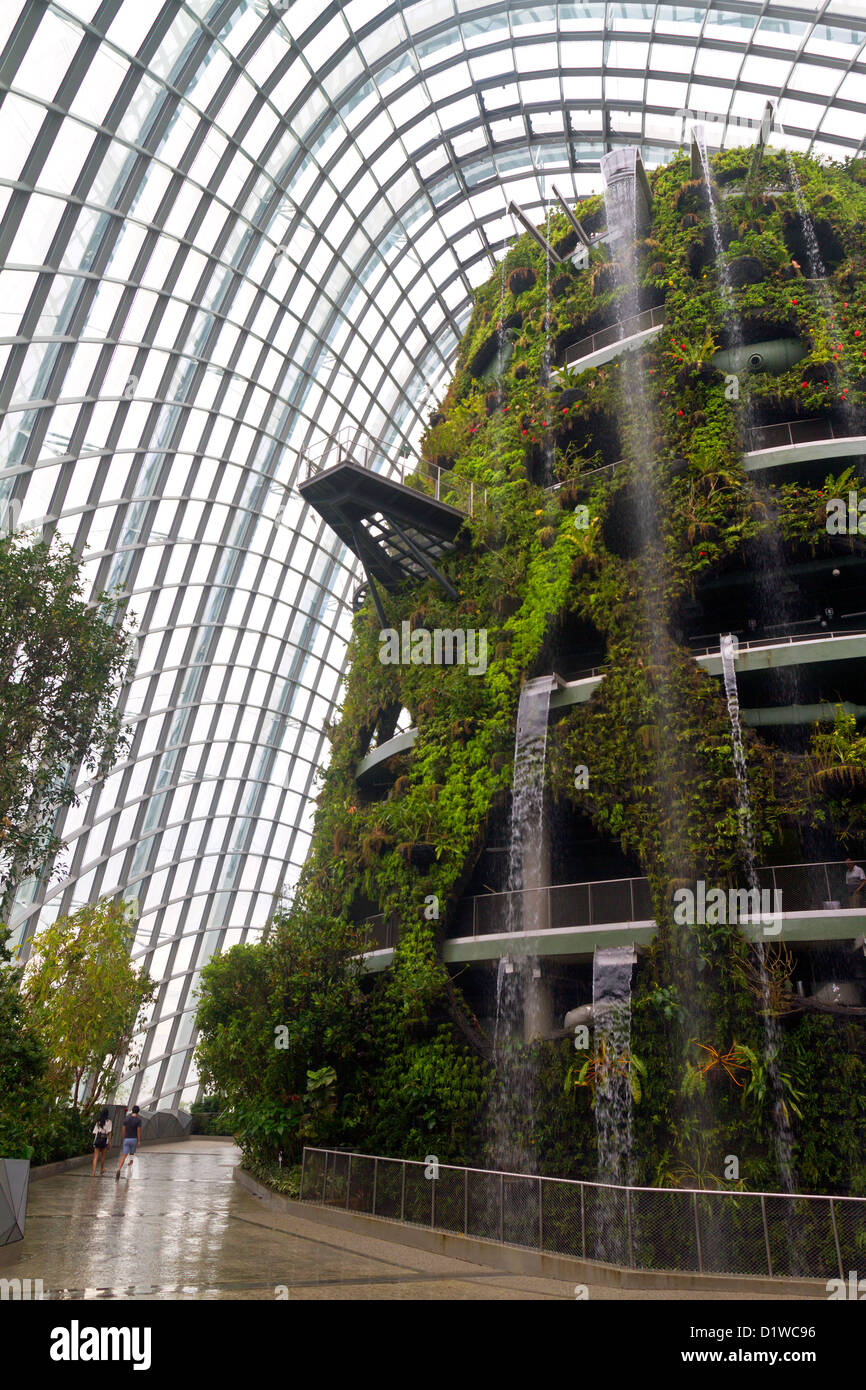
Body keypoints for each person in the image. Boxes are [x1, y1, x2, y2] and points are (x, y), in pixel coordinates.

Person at [115, 1105, 142, 1180]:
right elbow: (138, 1131)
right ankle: (129, 1172)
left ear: (132, 1110)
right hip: (134, 1139)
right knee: (131, 1155)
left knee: (124, 1155)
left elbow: (123, 1130)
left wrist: (123, 1138)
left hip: (126, 1139)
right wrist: (139, 1141)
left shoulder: (126, 1119)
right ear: (138, 1112)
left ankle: (119, 1169)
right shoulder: (138, 1120)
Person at [91, 1107, 112, 1176]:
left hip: (97, 1140)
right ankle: (101, 1169)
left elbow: (94, 1132)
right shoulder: (109, 1122)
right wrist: (109, 1142)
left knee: (95, 1156)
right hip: (104, 1140)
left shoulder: (98, 1122)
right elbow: (109, 1132)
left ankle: (93, 1173)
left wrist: (94, 1141)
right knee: (103, 1156)